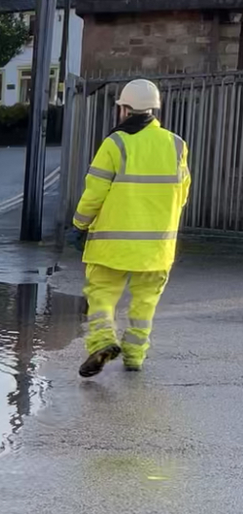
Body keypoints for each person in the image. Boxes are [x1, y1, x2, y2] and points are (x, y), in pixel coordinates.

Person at [66, 79, 192, 378]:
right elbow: (183, 193)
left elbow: (94, 192)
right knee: (145, 302)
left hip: (112, 244)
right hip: (158, 247)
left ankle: (102, 342)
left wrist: (79, 225)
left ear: (124, 109)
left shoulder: (116, 143)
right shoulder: (176, 144)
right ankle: (134, 356)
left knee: (101, 296)